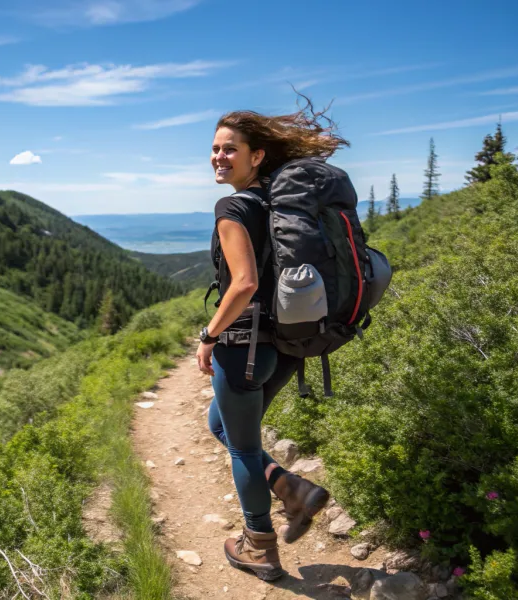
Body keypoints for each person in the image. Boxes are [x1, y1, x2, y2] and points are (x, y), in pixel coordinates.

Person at [196, 105, 348, 581]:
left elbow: (242, 284)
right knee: (220, 424)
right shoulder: (276, 204)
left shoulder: (233, 208)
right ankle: (291, 489)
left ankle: (259, 544)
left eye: (230, 149)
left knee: (241, 446)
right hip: (283, 344)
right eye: (215, 148)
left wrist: (208, 335)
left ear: (257, 155)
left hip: (242, 347)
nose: (219, 156)